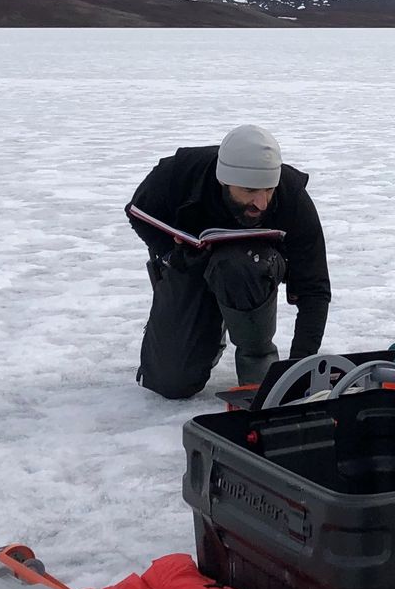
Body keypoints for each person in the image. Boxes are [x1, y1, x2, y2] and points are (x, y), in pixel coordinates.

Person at [125, 124, 330, 398]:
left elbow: (314, 288)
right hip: (190, 265)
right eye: (249, 190)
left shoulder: (292, 197)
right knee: (171, 383)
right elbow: (138, 214)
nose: (261, 203)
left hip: (250, 271)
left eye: (269, 189)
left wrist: (298, 369)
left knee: (240, 263)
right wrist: (171, 255)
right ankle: (204, 331)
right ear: (223, 181)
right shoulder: (179, 174)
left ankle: (257, 357)